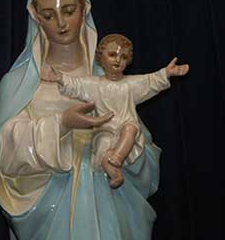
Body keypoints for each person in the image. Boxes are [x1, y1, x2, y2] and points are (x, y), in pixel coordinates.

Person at [0, 0, 162, 239]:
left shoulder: (108, 81)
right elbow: (2, 156)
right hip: (51, 213)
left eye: (68, 11)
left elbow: (146, 162)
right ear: (36, 18)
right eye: (48, 14)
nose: (60, 23)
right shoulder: (17, 85)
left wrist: (124, 151)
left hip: (111, 212)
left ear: (84, 10)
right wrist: (61, 124)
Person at [41, 34, 188, 189]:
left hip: (126, 126)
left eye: (123, 57)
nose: (118, 60)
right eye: (112, 55)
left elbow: (150, 81)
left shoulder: (131, 84)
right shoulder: (94, 84)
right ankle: (113, 169)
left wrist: (166, 73)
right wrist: (60, 78)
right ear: (100, 57)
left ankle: (117, 158)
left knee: (131, 129)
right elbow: (76, 85)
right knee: (103, 147)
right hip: (104, 128)